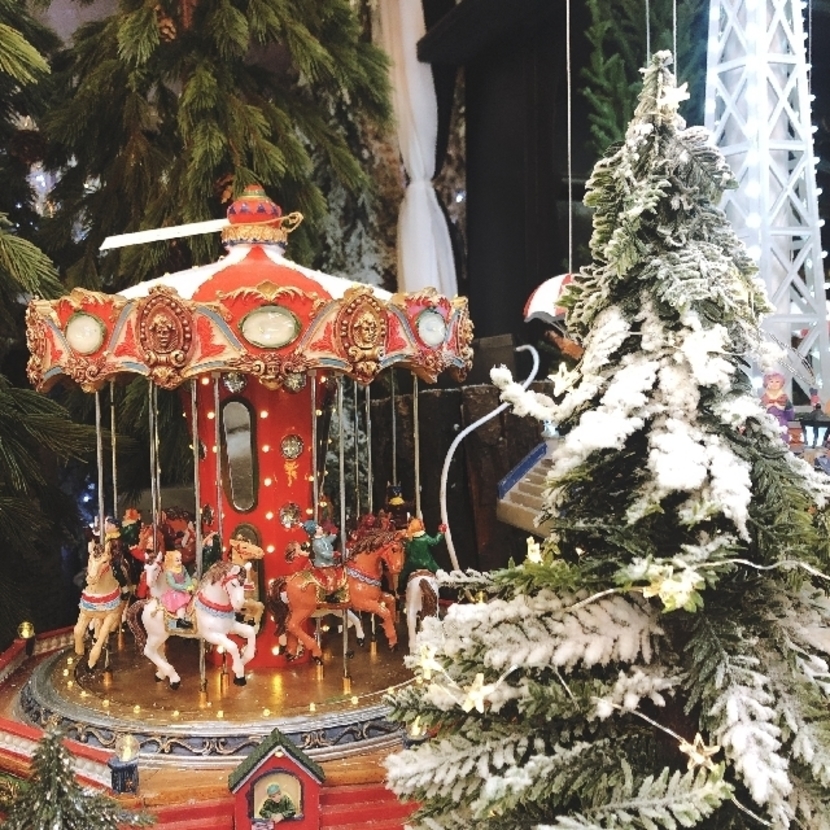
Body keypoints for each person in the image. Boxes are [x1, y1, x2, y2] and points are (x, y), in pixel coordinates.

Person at [397, 518, 447, 595]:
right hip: (427, 562)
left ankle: (401, 590)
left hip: (412, 563)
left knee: (403, 574)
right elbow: (434, 542)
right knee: (439, 571)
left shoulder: (410, 539)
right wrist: (441, 533)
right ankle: (445, 583)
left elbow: (408, 551)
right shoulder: (425, 537)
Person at [160, 549, 196, 628]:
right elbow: (173, 584)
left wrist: (190, 585)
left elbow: (187, 577)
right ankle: (180, 621)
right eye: (177, 560)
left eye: (180, 560)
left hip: (184, 591)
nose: (180, 562)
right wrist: (184, 587)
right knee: (181, 606)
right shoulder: (169, 572)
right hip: (176, 593)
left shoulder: (182, 568)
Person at [761, 371, 795, 443]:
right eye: (771, 381)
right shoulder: (764, 398)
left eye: (777, 382)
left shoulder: (784, 398)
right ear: (767, 383)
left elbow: (790, 416)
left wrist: (788, 408)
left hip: (781, 424)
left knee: (782, 442)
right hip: (767, 424)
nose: (774, 384)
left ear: (781, 383)